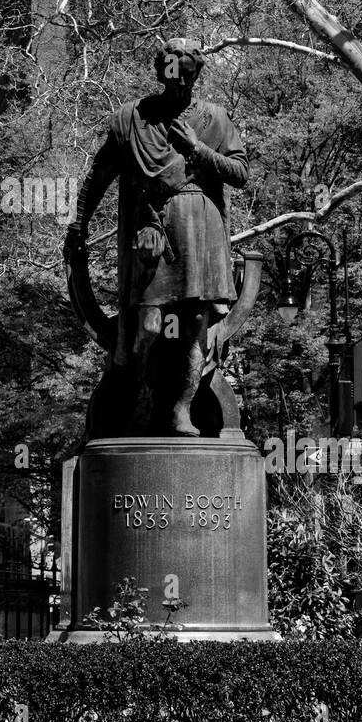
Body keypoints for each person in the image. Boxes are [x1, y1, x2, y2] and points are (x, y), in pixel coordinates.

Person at [64, 38, 248, 435]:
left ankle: (181, 408)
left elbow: (240, 174)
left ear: (196, 75)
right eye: (173, 76)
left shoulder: (215, 119)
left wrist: (198, 150)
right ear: (161, 74)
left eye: (187, 77)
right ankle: (143, 395)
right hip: (152, 235)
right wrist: (78, 222)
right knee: (147, 324)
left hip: (201, 232)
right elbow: (98, 176)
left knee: (194, 326)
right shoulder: (133, 118)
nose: (180, 85)